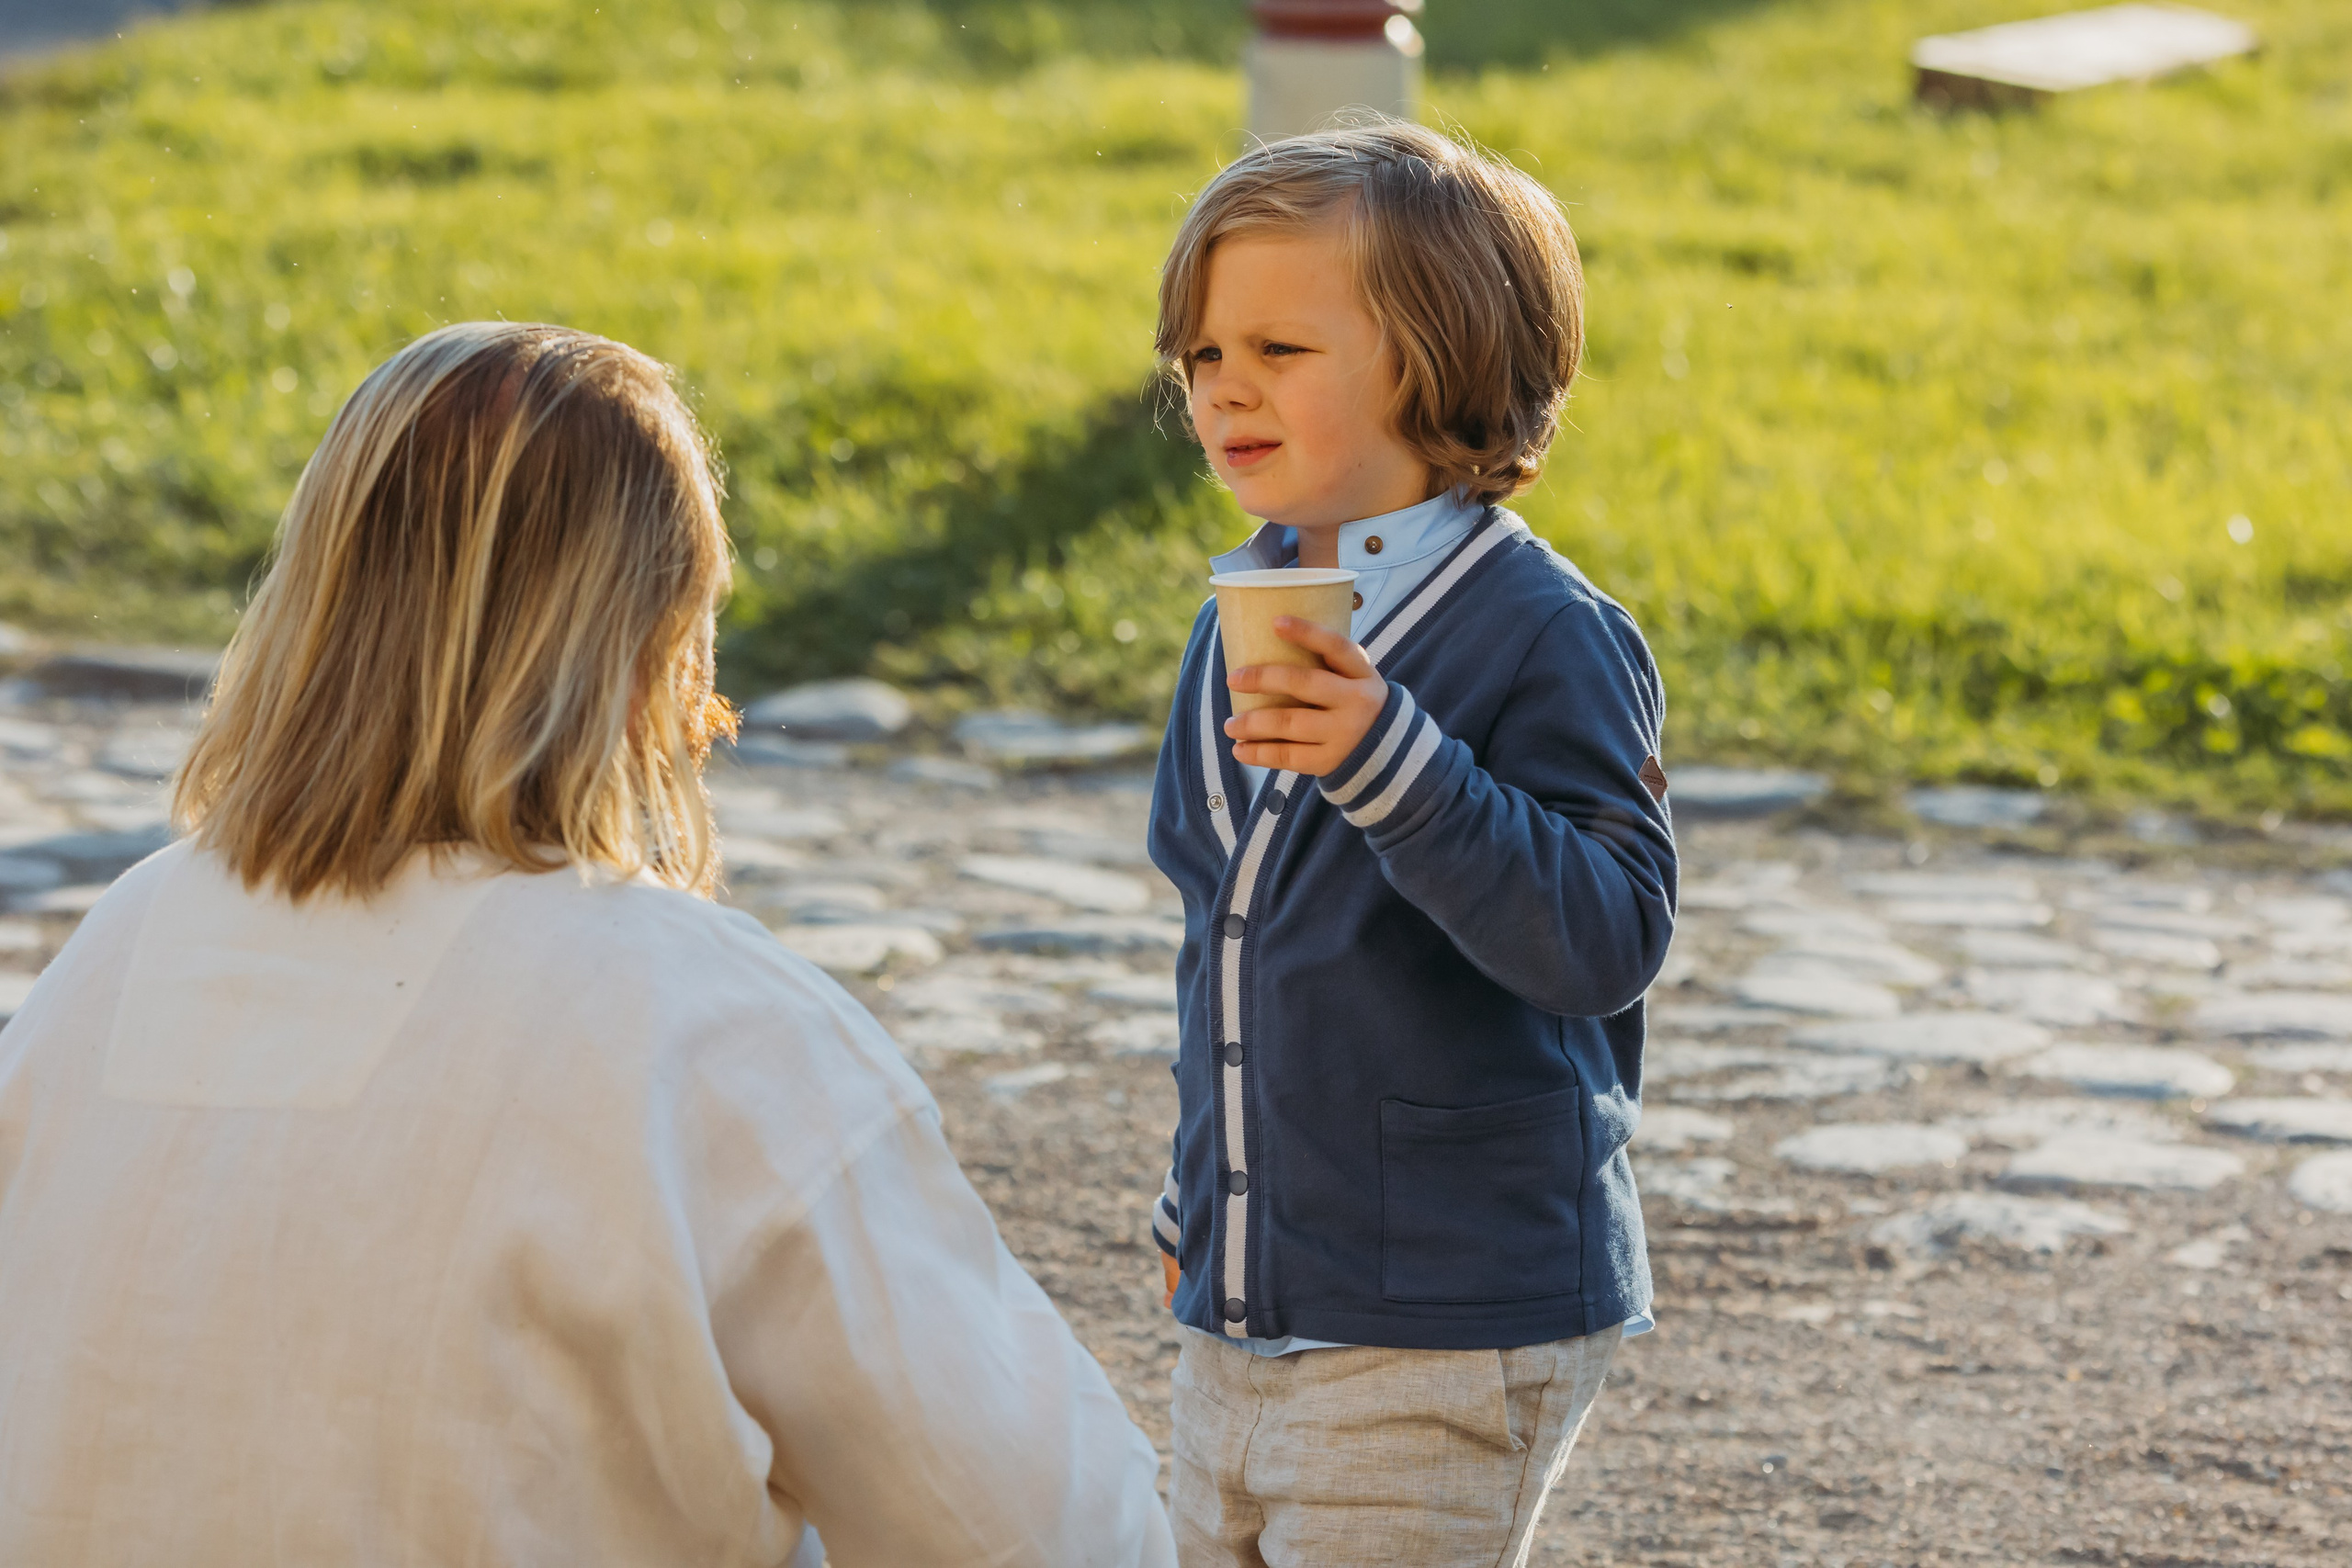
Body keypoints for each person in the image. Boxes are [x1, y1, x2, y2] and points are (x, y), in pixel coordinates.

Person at [0, 321, 1175, 1568]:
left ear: (315, 599)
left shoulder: (117, 947)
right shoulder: (709, 1022)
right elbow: (1038, 1530)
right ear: (658, 652)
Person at [1142, 122, 1678, 1566]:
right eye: (1201, 356)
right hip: (1245, 1309)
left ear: (1434, 356)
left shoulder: (1544, 634)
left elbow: (1608, 936)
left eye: (1278, 349)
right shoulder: (1233, 622)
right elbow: (1228, 939)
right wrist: (1206, 1194)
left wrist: (1397, 767)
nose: (1223, 387)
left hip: (1448, 1314)